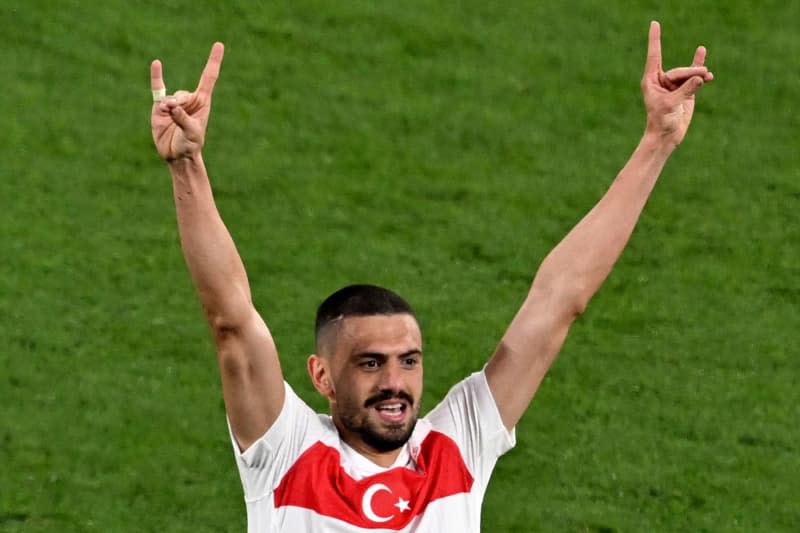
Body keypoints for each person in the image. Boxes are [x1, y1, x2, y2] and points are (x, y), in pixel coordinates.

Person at [149, 21, 712, 532]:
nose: (395, 382)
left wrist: (657, 142)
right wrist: (187, 165)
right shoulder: (286, 450)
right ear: (321, 376)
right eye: (370, 363)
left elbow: (560, 298)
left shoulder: (457, 442)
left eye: (408, 360)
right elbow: (231, 319)